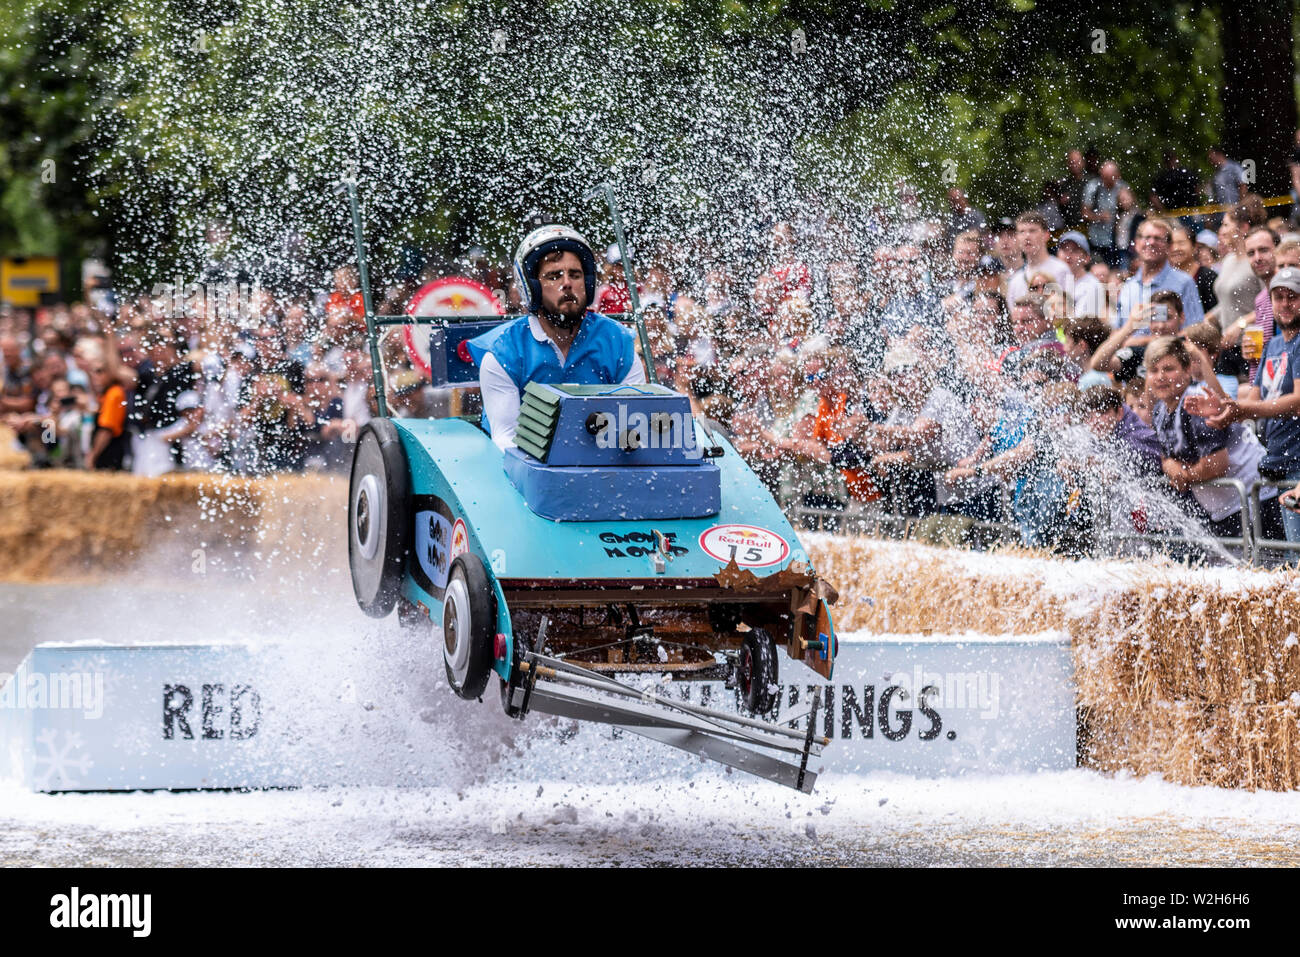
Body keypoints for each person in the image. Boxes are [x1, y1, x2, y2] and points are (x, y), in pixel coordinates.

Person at [469, 224, 646, 452]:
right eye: (554, 276)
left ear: (588, 283)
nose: (567, 283)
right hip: (521, 466)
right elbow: (506, 442)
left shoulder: (618, 342)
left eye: (575, 275)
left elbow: (635, 428)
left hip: (601, 460)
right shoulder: (503, 353)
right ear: (532, 288)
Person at [1196, 267, 1300, 543]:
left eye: (1293, 297)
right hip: (1277, 458)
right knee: (1285, 551)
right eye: (1278, 297)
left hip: (1297, 460)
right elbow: (1251, 401)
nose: (1285, 304)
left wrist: (1243, 409)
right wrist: (1222, 408)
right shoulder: (1273, 345)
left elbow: (1298, 401)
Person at [1144, 335, 1280, 543]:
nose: (1160, 377)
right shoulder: (1159, 411)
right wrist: (1169, 465)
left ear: (1187, 371)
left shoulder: (1197, 402)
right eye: (1154, 371)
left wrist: (1184, 476)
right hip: (1226, 507)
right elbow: (1167, 456)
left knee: (1264, 562)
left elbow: (1216, 465)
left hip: (1256, 500)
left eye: (1168, 369)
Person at [1115, 219, 1204, 329]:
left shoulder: (1183, 283)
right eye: (1146, 237)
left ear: (1169, 246)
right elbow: (1116, 331)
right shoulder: (1128, 287)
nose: (1151, 242)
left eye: (1158, 238)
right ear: (1136, 243)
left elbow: (1194, 329)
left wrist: (1136, 339)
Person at [1006, 212, 1071, 304]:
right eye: (1022, 232)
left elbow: (1069, 307)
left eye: (1032, 231)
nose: (1027, 236)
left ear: (1046, 235)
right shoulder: (1015, 280)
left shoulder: (1062, 270)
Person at [1082, 160, 1126, 267]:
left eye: (1109, 178)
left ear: (1117, 176)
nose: (1105, 181)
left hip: (1118, 239)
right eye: (1104, 177)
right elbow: (1085, 213)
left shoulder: (1122, 187)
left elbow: (1130, 208)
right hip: (1097, 239)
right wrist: (1098, 217)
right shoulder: (1093, 187)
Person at [1055, 231, 1106, 317]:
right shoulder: (1051, 279)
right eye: (1064, 249)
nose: (1068, 255)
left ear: (1086, 258)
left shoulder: (1093, 286)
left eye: (1075, 250)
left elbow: (1082, 322)